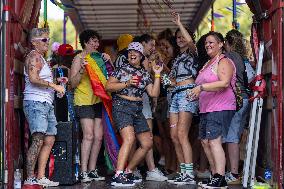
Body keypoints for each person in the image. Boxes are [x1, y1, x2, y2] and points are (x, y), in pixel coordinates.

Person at [106, 42, 163, 187]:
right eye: (130, 52)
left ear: (141, 56)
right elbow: (108, 86)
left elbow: (153, 93)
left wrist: (157, 75)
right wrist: (126, 83)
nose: (132, 54)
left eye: (136, 52)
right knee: (129, 139)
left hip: (137, 109)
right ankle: (118, 175)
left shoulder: (145, 74)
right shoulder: (121, 69)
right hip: (122, 105)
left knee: (147, 143)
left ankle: (128, 171)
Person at [189, 31, 237, 188]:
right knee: (205, 142)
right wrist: (196, 93)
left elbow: (224, 83)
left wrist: (201, 87)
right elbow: (203, 86)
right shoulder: (207, 63)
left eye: (211, 42)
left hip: (220, 107)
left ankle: (219, 177)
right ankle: (215, 174)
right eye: (206, 43)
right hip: (206, 108)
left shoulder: (224, 61)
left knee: (214, 141)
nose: (208, 45)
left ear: (221, 44)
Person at [23, 28, 65, 187]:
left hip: (45, 103)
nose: (48, 43)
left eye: (48, 39)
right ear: (34, 42)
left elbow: (41, 78)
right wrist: (54, 85)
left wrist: (58, 80)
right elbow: (33, 79)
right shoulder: (33, 56)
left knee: (49, 138)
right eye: (44, 40)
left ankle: (40, 176)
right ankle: (30, 177)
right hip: (36, 103)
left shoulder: (41, 58)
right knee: (38, 140)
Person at [70, 29, 111, 182]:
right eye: (93, 41)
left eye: (97, 41)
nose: (96, 44)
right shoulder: (78, 58)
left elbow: (108, 78)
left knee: (99, 137)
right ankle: (83, 171)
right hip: (84, 100)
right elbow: (72, 84)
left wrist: (109, 62)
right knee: (88, 135)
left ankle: (93, 170)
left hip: (98, 101)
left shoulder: (99, 58)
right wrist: (81, 69)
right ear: (85, 43)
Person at [165, 13, 199, 185]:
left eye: (182, 36)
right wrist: (160, 72)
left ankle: (189, 173)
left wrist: (179, 23)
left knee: (181, 134)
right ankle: (182, 171)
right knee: (173, 135)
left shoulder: (194, 53)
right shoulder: (177, 58)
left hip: (187, 93)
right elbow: (170, 81)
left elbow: (191, 42)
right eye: (177, 37)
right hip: (175, 96)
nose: (180, 39)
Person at [134, 34, 168, 181]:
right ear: (142, 44)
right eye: (151, 45)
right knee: (142, 137)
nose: (154, 48)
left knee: (145, 137)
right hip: (138, 102)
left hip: (145, 101)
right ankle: (145, 170)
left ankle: (143, 169)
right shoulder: (138, 60)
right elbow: (144, 78)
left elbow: (163, 76)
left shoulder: (147, 59)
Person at [224, 29, 251, 185]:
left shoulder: (230, 56)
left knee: (232, 137)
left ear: (227, 43)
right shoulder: (243, 58)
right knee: (234, 135)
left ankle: (233, 174)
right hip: (245, 98)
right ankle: (232, 171)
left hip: (237, 100)